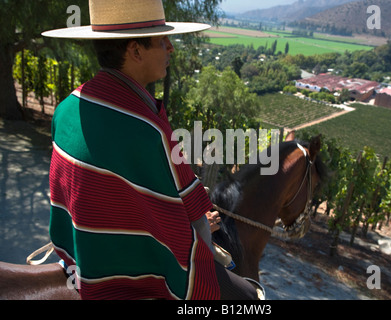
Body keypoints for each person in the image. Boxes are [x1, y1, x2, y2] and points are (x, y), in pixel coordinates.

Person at [42, 0, 258, 300]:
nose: (171, 48)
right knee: (251, 298)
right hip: (120, 280)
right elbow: (195, 219)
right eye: (162, 40)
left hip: (79, 258)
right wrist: (201, 244)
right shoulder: (150, 130)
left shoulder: (66, 108)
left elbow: (112, 205)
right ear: (135, 51)